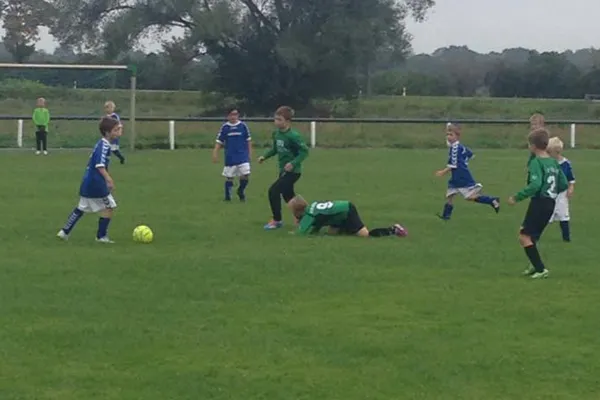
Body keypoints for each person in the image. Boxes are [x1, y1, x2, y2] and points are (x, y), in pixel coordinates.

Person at [508, 128, 568, 279]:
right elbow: (564, 184)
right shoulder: (553, 162)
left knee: (524, 236)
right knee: (530, 235)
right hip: (550, 203)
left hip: (539, 202)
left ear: (533, 146)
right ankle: (535, 266)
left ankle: (541, 269)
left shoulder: (536, 162)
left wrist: (517, 197)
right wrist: (552, 192)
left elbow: (535, 185)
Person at [57, 117, 121, 243]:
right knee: (109, 207)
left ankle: (64, 231)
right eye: (116, 130)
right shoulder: (104, 146)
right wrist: (108, 179)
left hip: (88, 181)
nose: (118, 132)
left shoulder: (101, 143)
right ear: (108, 133)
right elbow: (100, 165)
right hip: (96, 183)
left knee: (81, 207)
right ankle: (101, 236)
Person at [258, 106, 309, 230]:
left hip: (293, 172)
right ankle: (305, 217)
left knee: (273, 191)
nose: (276, 122)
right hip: (283, 171)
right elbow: (275, 149)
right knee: (289, 196)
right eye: (275, 119)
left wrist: (293, 163)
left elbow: (304, 152)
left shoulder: (293, 136)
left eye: (279, 119)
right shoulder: (276, 134)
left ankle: (277, 220)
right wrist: (264, 156)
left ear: (287, 121)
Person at [435, 123, 500, 220]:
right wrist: (464, 162)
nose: (448, 137)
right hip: (457, 175)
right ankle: (446, 216)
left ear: (457, 136)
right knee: (450, 195)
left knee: (469, 197)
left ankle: (492, 200)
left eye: (451, 135)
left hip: (461, 176)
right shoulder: (459, 146)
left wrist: (443, 172)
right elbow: (470, 154)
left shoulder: (455, 148)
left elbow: (453, 164)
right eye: (447, 135)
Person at [289, 196, 408, 238]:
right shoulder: (312, 208)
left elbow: (301, 234)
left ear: (298, 211)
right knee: (332, 234)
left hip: (346, 211)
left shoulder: (309, 215)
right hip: (339, 214)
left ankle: (393, 229)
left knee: (365, 235)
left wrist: (294, 232)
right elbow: (317, 226)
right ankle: (348, 230)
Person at [212, 107, 252, 201]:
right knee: (229, 177)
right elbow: (219, 141)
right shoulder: (225, 127)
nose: (234, 116)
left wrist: (250, 153)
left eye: (236, 114)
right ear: (228, 116)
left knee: (245, 174)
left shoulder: (243, 126)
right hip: (230, 156)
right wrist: (215, 153)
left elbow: (248, 141)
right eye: (232, 114)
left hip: (242, 155)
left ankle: (241, 191)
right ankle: (227, 197)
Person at [547, 137, 575, 242]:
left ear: (557, 152)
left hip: (562, 195)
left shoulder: (566, 164)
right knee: (545, 215)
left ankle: (566, 238)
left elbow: (571, 179)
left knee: (564, 216)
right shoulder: (546, 163)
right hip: (549, 194)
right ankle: (535, 235)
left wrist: (571, 188)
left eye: (550, 152)